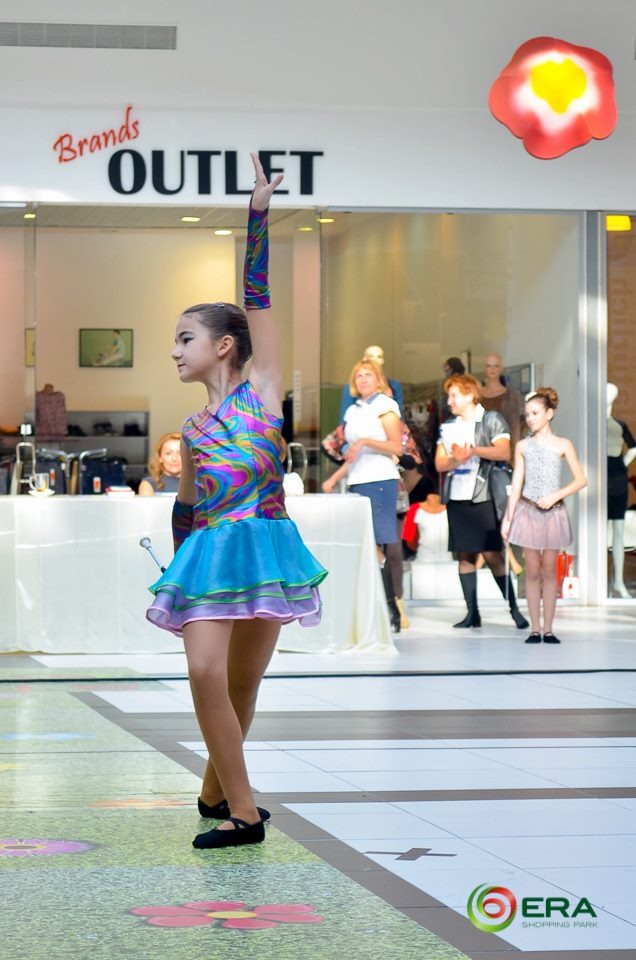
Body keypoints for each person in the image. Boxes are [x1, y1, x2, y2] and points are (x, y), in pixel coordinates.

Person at [146, 154, 327, 850]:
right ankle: (244, 813)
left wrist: (257, 214)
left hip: (267, 544)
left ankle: (215, 789)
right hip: (208, 553)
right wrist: (177, 567)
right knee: (204, 672)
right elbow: (188, 505)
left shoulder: (264, 392)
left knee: (244, 684)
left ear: (224, 346)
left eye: (184, 339)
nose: (174, 351)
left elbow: (258, 297)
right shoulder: (191, 429)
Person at [435, 373, 529, 630]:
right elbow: (440, 463)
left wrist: (473, 450)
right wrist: (456, 459)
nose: (450, 401)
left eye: (454, 395)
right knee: (464, 555)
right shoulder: (449, 426)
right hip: (457, 495)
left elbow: (504, 451)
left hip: (483, 493)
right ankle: (471, 613)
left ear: (470, 395)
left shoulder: (490, 419)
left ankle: (514, 610)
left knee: (492, 554)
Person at [322, 358, 404, 631]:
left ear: (379, 380)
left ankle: (391, 608)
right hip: (358, 479)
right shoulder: (353, 410)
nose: (363, 379)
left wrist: (365, 441)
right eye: (359, 376)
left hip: (379, 478)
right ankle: (375, 607)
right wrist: (334, 479)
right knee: (365, 544)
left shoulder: (385, 405)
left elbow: (397, 446)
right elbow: (354, 454)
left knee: (378, 543)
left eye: (368, 375)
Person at [501, 388, 587, 643]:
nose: (530, 418)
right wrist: (508, 518)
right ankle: (534, 629)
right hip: (528, 511)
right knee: (532, 569)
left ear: (549, 414)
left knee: (550, 570)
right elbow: (517, 483)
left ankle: (548, 629)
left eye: (535, 413)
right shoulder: (522, 446)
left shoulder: (563, 444)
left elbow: (581, 480)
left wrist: (555, 495)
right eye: (527, 414)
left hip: (554, 512)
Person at [606, 383, 636, 598]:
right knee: (596, 527)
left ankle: (618, 581)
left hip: (616, 476)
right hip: (598, 476)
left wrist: (622, 464)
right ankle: (599, 579)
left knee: (617, 527)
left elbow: (633, 447)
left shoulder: (619, 424)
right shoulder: (592, 424)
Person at [339, 345, 403, 420]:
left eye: (379, 357)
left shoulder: (393, 389)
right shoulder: (352, 408)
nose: (375, 359)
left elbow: (399, 419)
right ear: (364, 359)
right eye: (371, 356)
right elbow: (344, 421)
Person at [480, 352, 522, 451]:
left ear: (501, 368)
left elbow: (515, 428)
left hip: (503, 450)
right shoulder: (477, 395)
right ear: (485, 368)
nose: (492, 369)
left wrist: (514, 454)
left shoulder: (510, 396)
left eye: (496, 366)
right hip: (480, 449)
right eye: (489, 366)